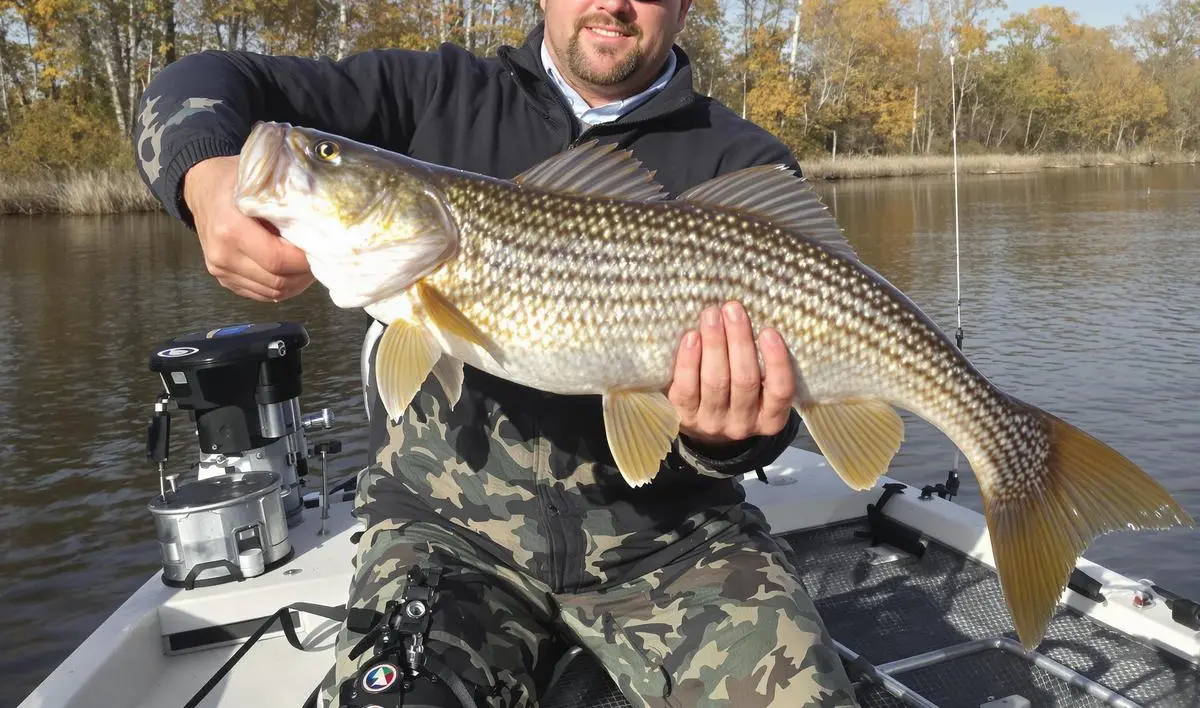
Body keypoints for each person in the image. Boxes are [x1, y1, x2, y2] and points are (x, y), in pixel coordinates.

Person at [133, 0, 858, 705]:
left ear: (686, 6)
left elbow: (776, 415)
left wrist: (725, 435)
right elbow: (197, 81)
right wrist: (207, 178)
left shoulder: (742, 161)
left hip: (675, 545)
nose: (612, 4)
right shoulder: (429, 93)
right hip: (446, 539)